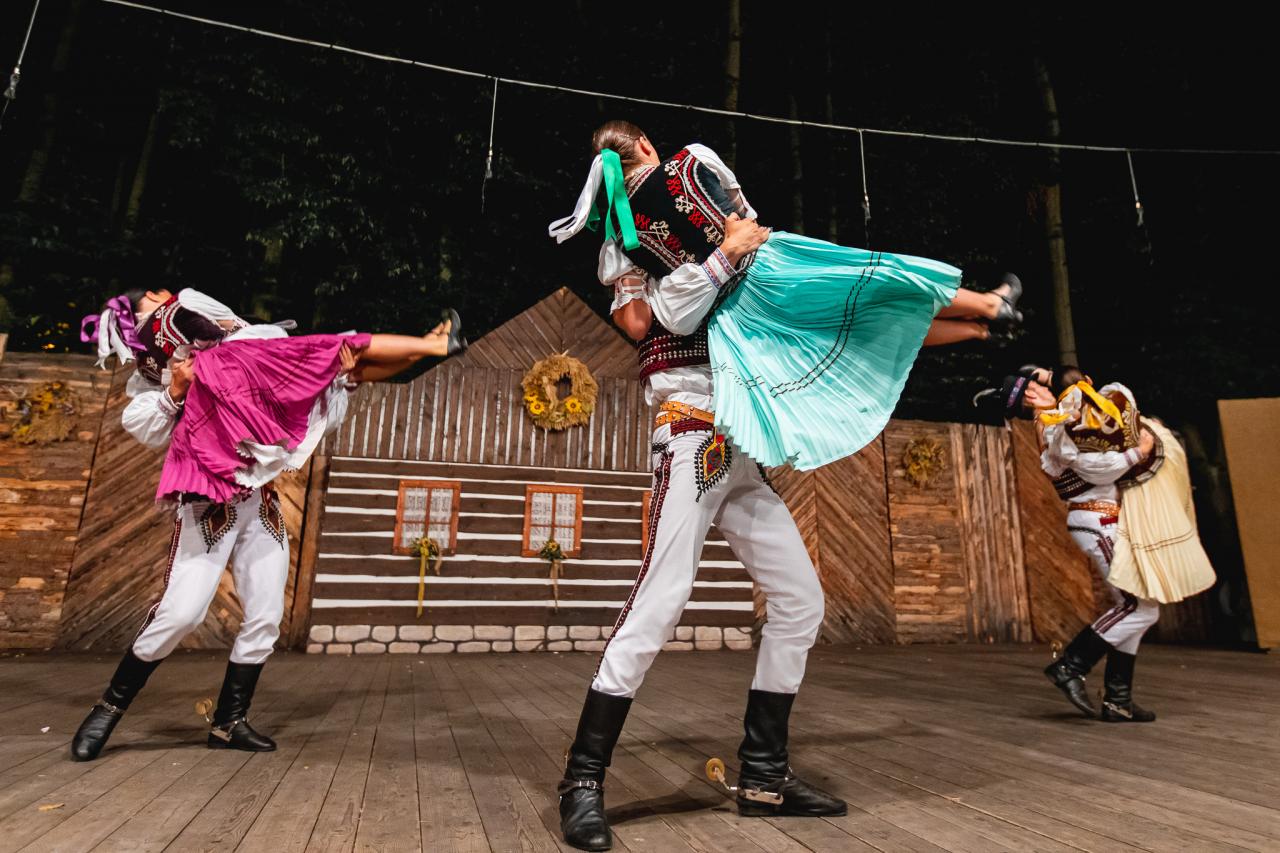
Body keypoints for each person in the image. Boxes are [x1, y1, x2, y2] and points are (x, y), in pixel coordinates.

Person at [549, 125, 874, 851]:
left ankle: (763, 773)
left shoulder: (700, 178)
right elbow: (652, 320)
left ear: (649, 147)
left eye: (626, 148)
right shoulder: (623, 239)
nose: (625, 157)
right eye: (611, 156)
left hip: (740, 437)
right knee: (660, 600)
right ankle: (582, 779)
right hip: (691, 429)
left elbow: (750, 240)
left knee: (801, 599)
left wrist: (737, 249)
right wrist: (721, 258)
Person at [69, 289, 461, 761]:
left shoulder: (231, 351)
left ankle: (228, 722)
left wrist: (335, 373)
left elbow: (306, 389)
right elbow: (146, 429)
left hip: (259, 502)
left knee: (266, 614)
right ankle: (108, 709)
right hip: (207, 504)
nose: (160, 296)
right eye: (148, 301)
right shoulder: (154, 381)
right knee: (182, 613)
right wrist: (176, 391)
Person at [548, 120, 1023, 473]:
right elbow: (745, 214)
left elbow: (646, 319)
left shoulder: (620, 238)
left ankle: (980, 331)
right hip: (771, 268)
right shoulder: (693, 158)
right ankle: (990, 304)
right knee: (875, 282)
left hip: (737, 318)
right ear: (645, 144)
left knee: (865, 332)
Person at [992, 367, 1164, 722]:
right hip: (1097, 521)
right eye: (1040, 385)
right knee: (1141, 607)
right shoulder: (1053, 427)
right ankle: (1071, 666)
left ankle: (1118, 699)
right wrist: (1138, 452)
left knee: (1130, 605)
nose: (1048, 387)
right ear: (1030, 396)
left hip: (1100, 518)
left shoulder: (1059, 419)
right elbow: (1095, 467)